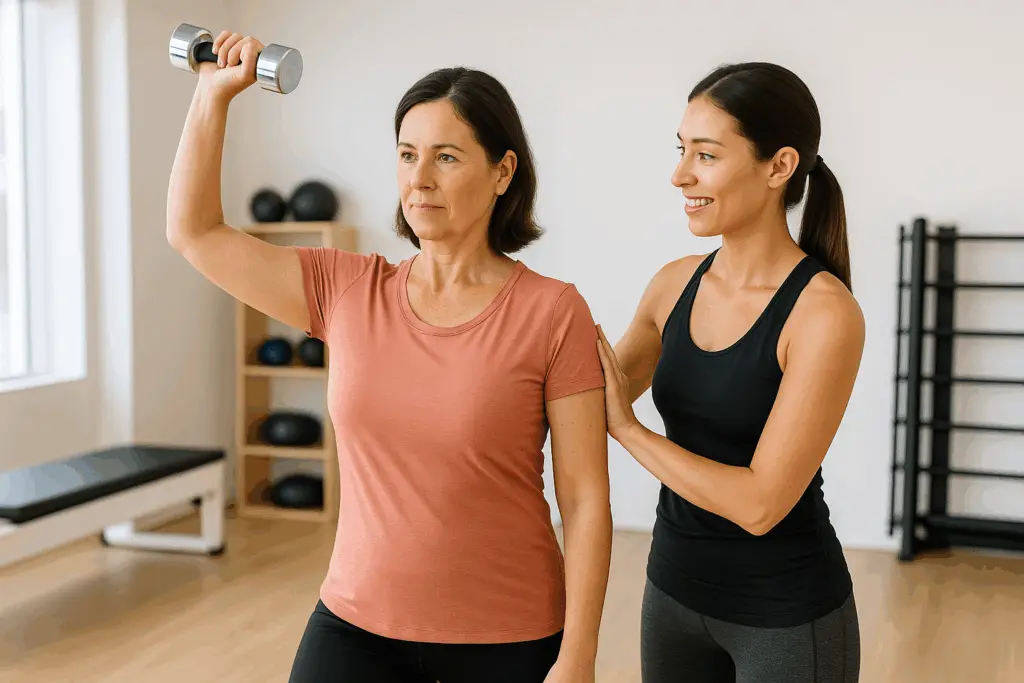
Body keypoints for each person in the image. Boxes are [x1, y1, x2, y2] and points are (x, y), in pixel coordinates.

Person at [166, 30, 612, 683]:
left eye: (447, 157)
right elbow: (194, 232)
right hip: (356, 622)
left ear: (503, 172)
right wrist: (213, 95)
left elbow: (585, 498)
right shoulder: (346, 288)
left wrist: (578, 657)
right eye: (407, 154)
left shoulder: (552, 311)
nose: (420, 178)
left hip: (509, 632)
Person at [594, 62, 864, 683]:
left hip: (785, 614)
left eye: (707, 155)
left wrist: (632, 432)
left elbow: (761, 504)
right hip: (672, 593)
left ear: (779, 167)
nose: (680, 174)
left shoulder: (824, 314)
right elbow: (590, 391)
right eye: (682, 149)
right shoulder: (673, 284)